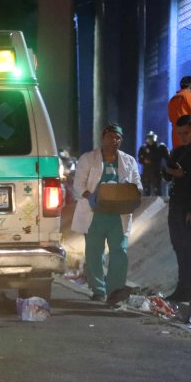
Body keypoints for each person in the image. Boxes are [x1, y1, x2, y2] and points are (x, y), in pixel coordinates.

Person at [73, 123, 141, 305]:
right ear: (103, 138)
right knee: (95, 253)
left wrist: (130, 194)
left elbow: (137, 184)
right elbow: (78, 185)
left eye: (118, 138)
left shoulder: (129, 161)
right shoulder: (88, 159)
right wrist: (91, 196)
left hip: (118, 216)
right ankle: (98, 290)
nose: (114, 141)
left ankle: (115, 291)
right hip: (94, 214)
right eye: (111, 136)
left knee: (120, 251)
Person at [162, 115, 191, 303]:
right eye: (179, 133)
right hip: (176, 204)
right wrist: (169, 170)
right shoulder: (178, 151)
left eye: (186, 133)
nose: (182, 137)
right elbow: (167, 176)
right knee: (179, 246)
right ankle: (182, 286)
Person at [167, 76, 191, 149]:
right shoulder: (188, 96)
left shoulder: (172, 100)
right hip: (189, 139)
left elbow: (170, 118)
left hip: (176, 138)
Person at [136, 131, 168, 197]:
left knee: (157, 191)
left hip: (157, 172)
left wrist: (166, 169)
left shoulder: (160, 147)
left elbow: (167, 157)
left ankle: (158, 205)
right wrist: (144, 160)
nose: (150, 140)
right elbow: (140, 159)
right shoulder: (143, 148)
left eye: (152, 138)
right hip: (147, 173)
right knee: (146, 191)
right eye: (149, 138)